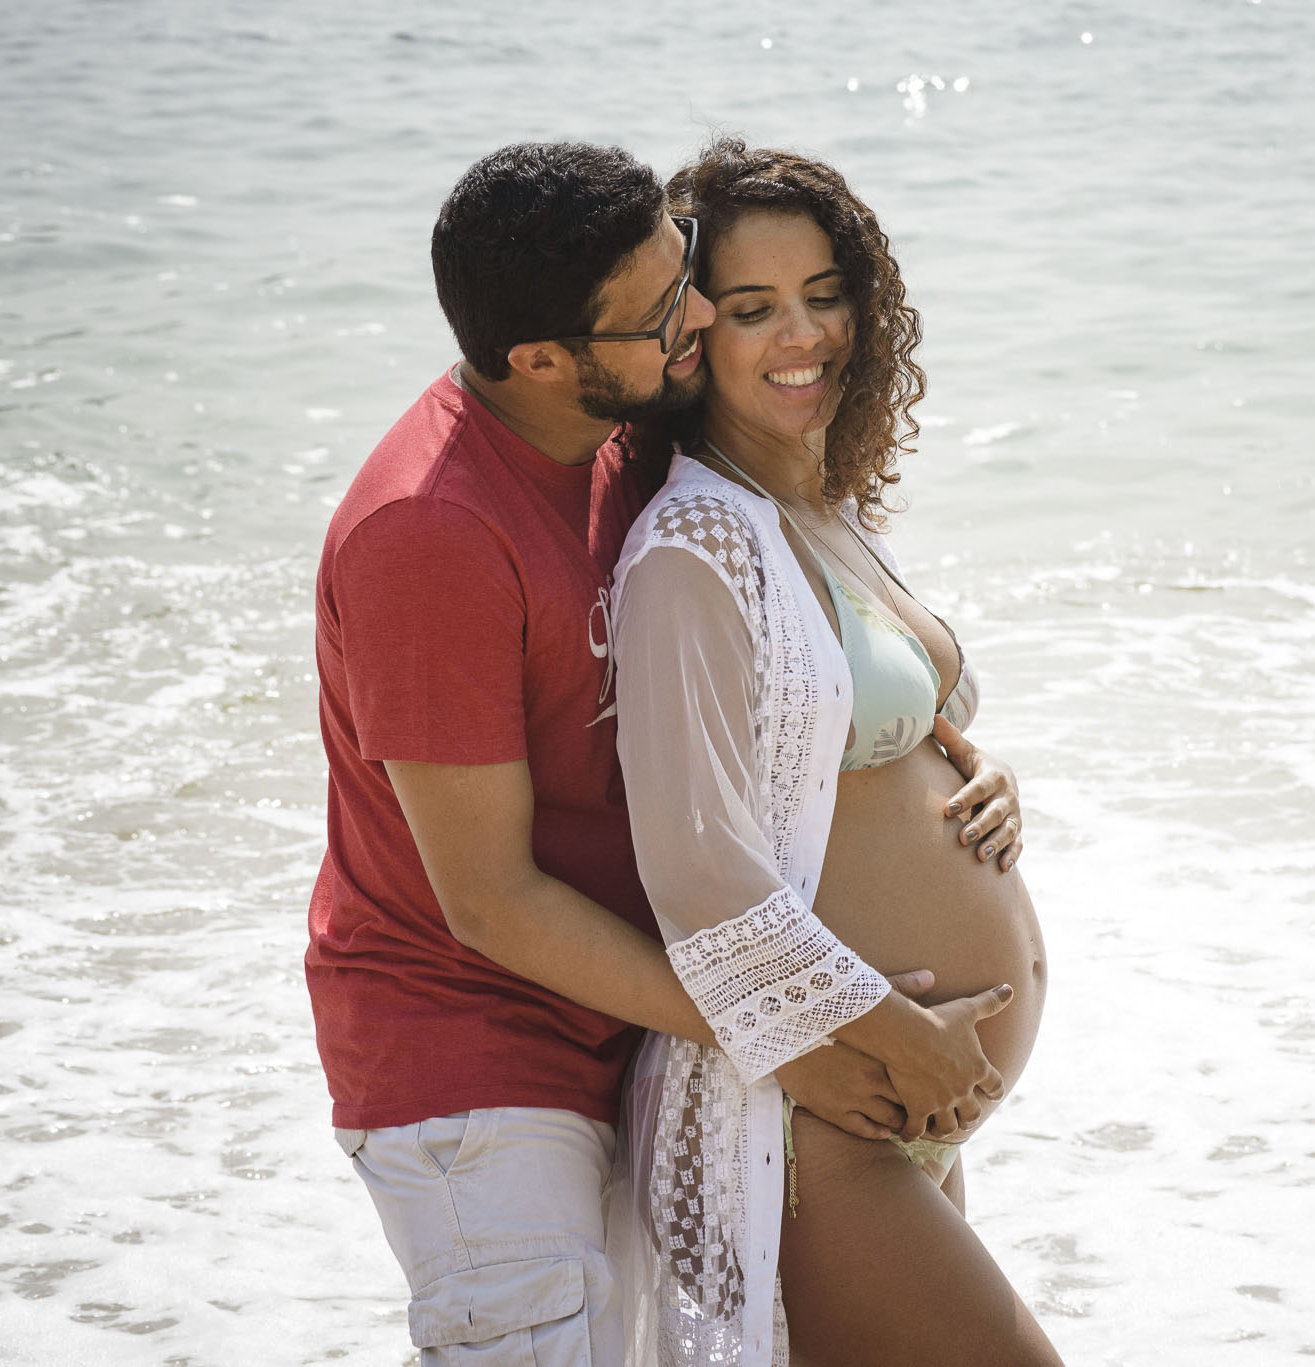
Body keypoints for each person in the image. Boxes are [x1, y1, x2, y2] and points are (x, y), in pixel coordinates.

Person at [306, 141, 1016, 1366]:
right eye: (660, 311)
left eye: (683, 273)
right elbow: (489, 901)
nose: (692, 317)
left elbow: (778, 687)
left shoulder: (616, 442)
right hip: (477, 1056)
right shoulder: (431, 533)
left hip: (632, 1017)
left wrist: (939, 754)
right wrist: (803, 1037)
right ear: (541, 358)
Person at [608, 138, 1061, 1366]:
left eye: (822, 294)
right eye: (752, 308)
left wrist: (981, 776)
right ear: (691, 338)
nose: (799, 333)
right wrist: (897, 1032)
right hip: (812, 1108)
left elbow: (856, 747)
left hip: (892, 1102)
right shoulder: (690, 549)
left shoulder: (821, 509)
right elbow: (697, 865)